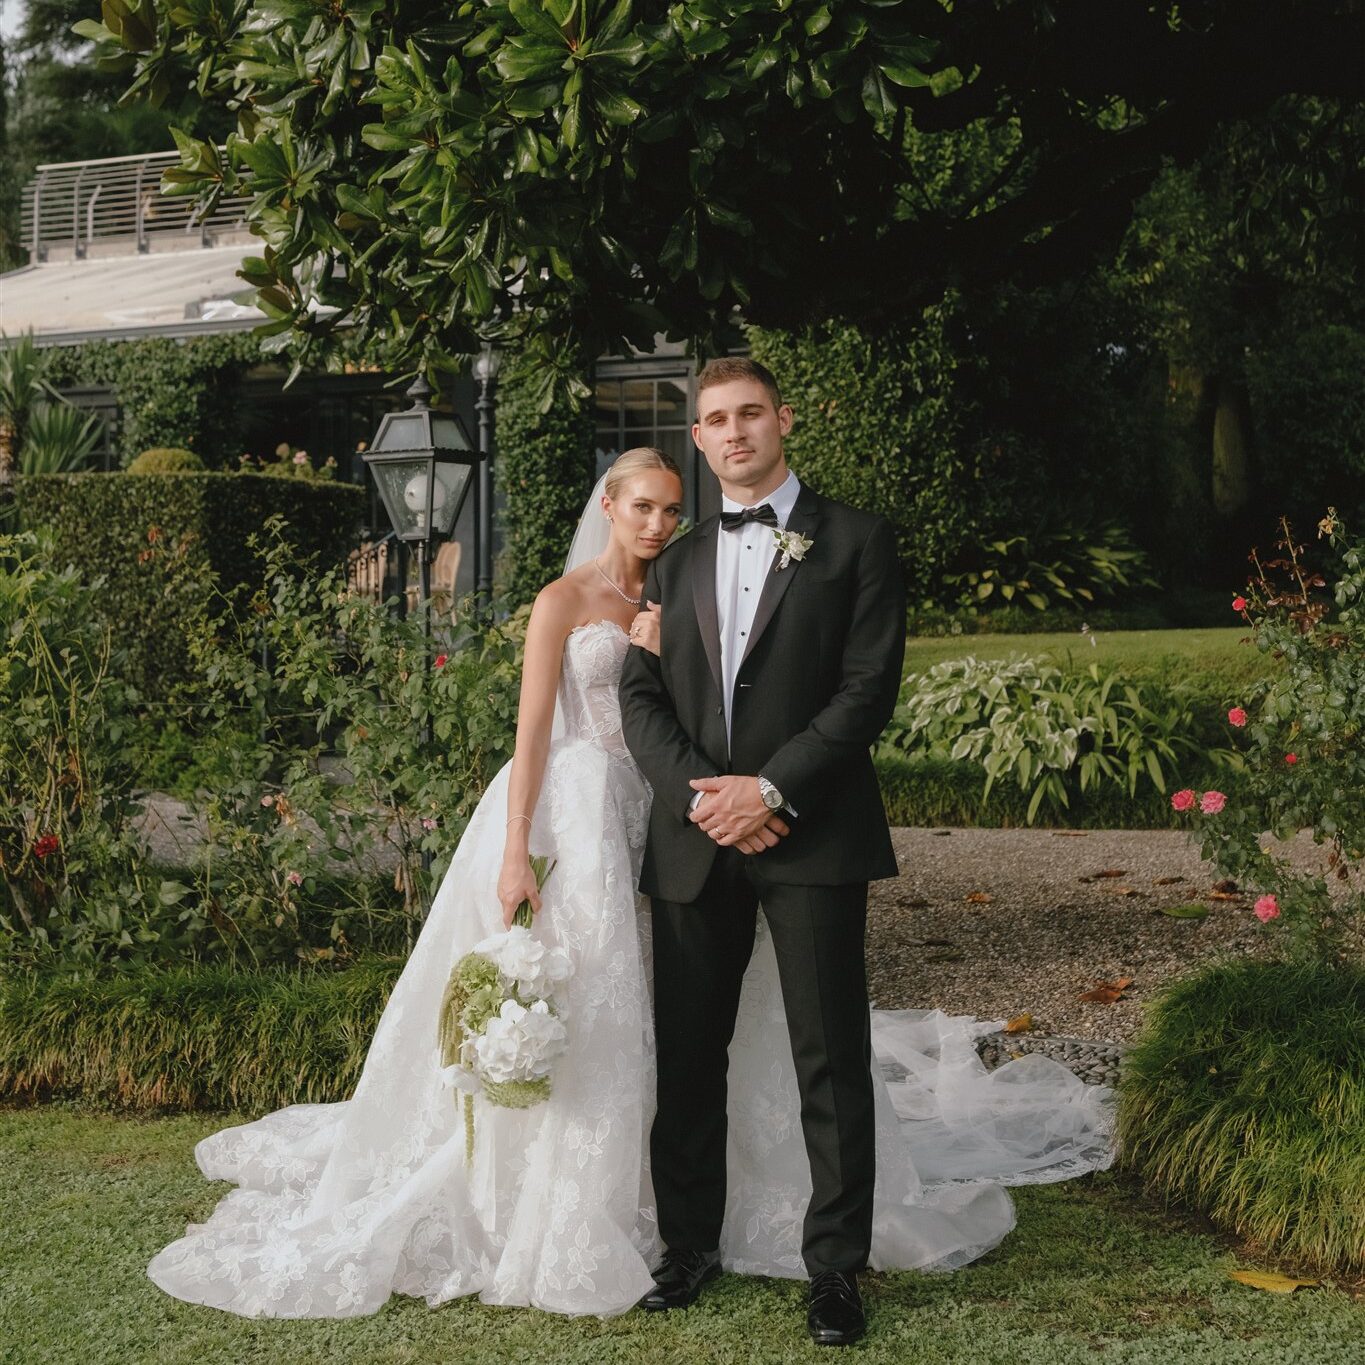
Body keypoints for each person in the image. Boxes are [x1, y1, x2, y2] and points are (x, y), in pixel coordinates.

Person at [147, 435, 1112, 1328]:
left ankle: (799, 1244)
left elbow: (758, 697)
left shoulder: (686, 582)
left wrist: (747, 793)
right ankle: (619, 1212)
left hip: (672, 818)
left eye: (669, 508)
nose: (656, 522)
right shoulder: (566, 600)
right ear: (607, 506)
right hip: (586, 817)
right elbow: (534, 732)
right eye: (640, 505)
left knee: (692, 1023)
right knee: (624, 1018)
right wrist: (516, 846)